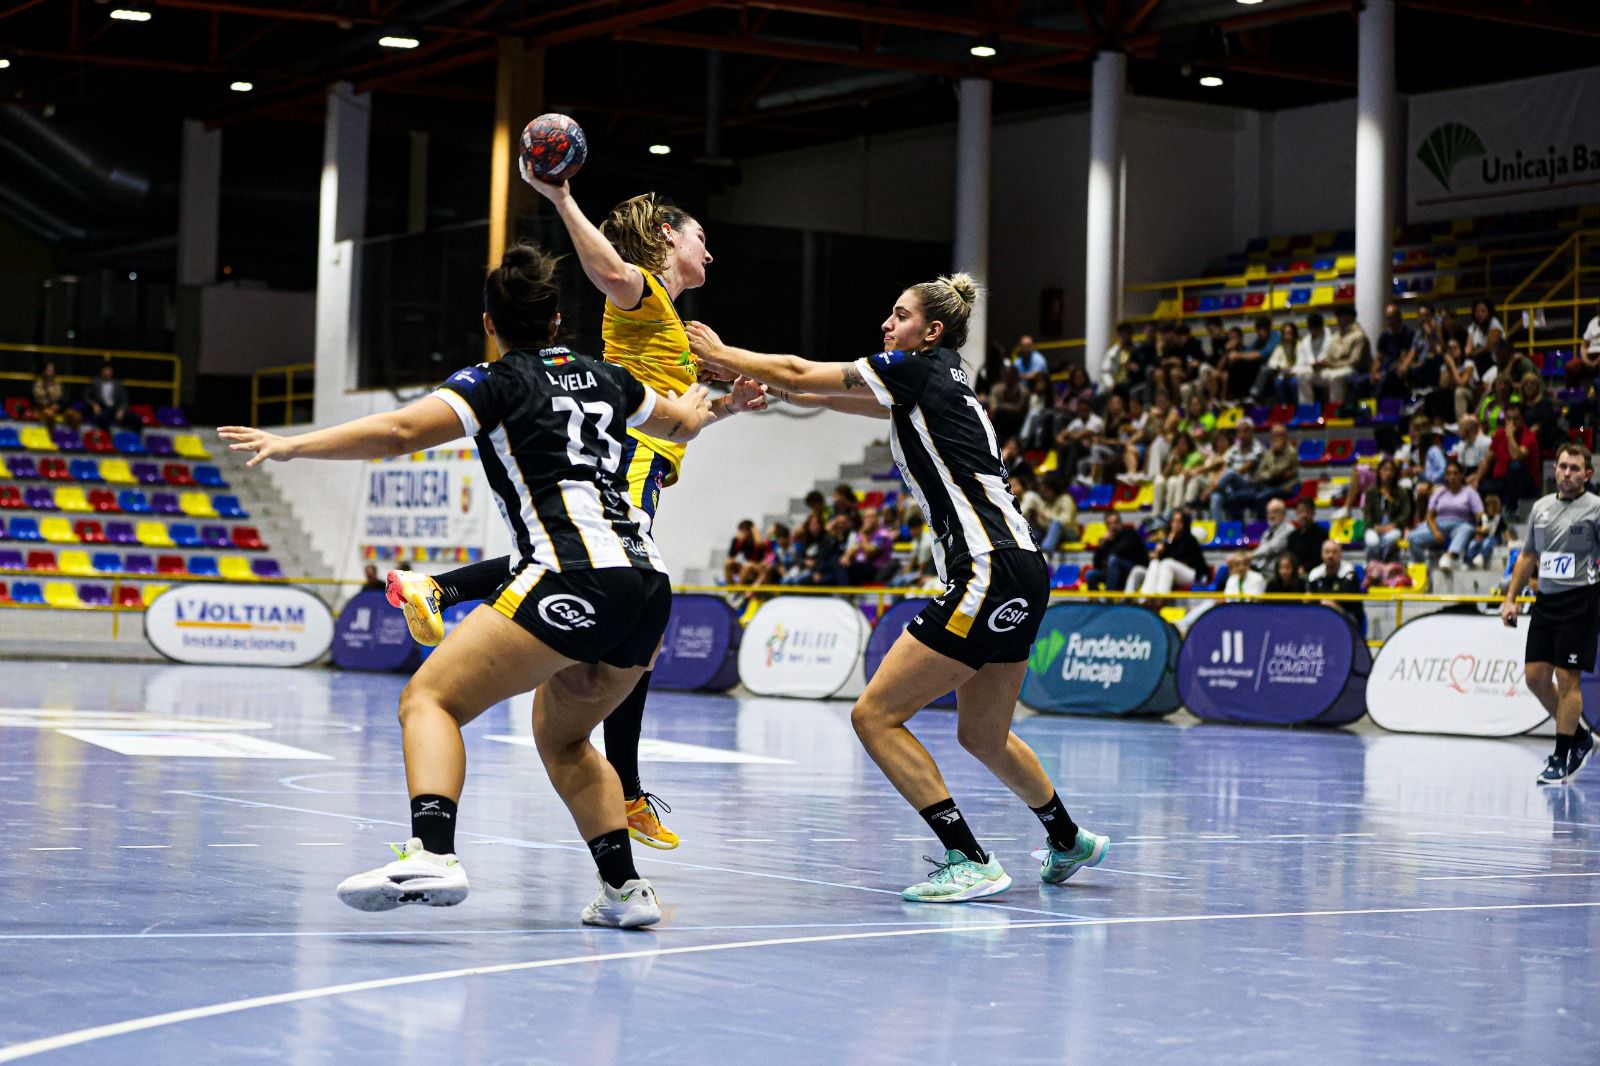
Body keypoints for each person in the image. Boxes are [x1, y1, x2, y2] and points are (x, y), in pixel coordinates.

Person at [218, 243, 719, 926]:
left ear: (491, 323)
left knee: (430, 699)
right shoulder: (607, 377)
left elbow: (396, 431)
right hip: (647, 588)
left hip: (571, 574)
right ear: (557, 320)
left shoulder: (494, 383)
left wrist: (292, 445)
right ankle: (626, 892)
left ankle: (433, 851)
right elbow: (682, 423)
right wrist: (711, 401)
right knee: (564, 738)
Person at [686, 274, 1109, 902]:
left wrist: (721, 354)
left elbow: (805, 371)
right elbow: (826, 396)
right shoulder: (936, 383)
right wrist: (759, 388)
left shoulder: (915, 370)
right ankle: (1069, 839)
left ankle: (968, 858)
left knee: (875, 715)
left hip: (986, 566)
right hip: (1023, 566)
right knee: (983, 735)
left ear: (930, 332)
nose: (887, 323)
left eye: (900, 314)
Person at [384, 179, 767, 854]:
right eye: (701, 236)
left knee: (617, 606)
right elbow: (611, 271)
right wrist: (561, 199)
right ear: (670, 238)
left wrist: (729, 403)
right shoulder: (645, 293)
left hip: (646, 456)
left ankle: (439, 589)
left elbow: (681, 420)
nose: (711, 250)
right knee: (601, 573)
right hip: (626, 460)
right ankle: (626, 789)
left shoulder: (673, 326)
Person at [1501, 442, 1600, 785]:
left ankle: (1561, 757)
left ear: (1588, 474)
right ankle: (1581, 739)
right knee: (1535, 678)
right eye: (1562, 466)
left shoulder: (1596, 509)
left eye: (1574, 468)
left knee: (1567, 678)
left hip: (1580, 602)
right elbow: (1528, 556)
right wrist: (1511, 598)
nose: (1567, 473)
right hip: (1546, 603)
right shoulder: (1541, 508)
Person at [1213, 422, 1299, 522]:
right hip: (1264, 487)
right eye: (1274, 435)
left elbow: (1275, 472)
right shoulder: (1269, 452)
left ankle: (1260, 528)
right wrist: (1269, 475)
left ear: (1286, 436)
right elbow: (1259, 473)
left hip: (1283, 489)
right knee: (1234, 498)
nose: (1277, 438)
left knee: (1260, 498)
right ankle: (1239, 529)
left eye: (1280, 435)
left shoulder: (1291, 452)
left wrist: (1269, 474)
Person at [1409, 459, 1482, 572]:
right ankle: (1423, 568)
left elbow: (1479, 515)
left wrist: (1481, 527)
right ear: (1445, 476)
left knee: (1467, 528)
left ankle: (1449, 557)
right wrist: (1435, 532)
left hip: (1461, 525)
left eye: (1455, 473)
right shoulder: (1439, 491)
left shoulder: (1470, 493)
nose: (1452, 477)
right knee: (1412, 537)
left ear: (1461, 475)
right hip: (1439, 525)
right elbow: (1429, 516)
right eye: (1449, 474)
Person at [1298, 306, 1367, 406]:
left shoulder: (1359, 336)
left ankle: (1335, 410)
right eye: (1338, 317)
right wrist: (1321, 363)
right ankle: (1307, 410)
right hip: (1331, 369)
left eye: (1342, 317)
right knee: (1303, 375)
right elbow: (1330, 357)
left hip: (1349, 370)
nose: (1339, 320)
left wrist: (1331, 364)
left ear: (1350, 318)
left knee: (1335, 377)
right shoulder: (1336, 336)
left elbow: (1355, 361)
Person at [1479, 405, 1540, 515]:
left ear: (1522, 420)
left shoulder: (1529, 436)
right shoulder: (1499, 434)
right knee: (1482, 485)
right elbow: (1487, 460)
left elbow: (1516, 455)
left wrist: (1510, 436)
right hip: (1501, 480)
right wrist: (1476, 480)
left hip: (1524, 483)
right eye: (1509, 419)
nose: (1512, 422)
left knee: (1515, 466)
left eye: (1515, 418)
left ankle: (1511, 509)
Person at [1134, 509, 1209, 594]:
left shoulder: (1189, 539)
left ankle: (1161, 598)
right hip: (1172, 572)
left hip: (1192, 574)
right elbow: (1163, 557)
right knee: (1154, 563)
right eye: (1174, 521)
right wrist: (1158, 553)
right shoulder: (1167, 539)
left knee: (1167, 563)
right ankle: (1145, 597)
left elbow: (1176, 556)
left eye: (1179, 521)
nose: (1176, 524)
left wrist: (1168, 542)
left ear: (1185, 524)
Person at [1206, 421, 1266, 523]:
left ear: (1252, 432)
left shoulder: (1258, 447)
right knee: (1216, 497)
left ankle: (1212, 489)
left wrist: (1216, 484)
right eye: (1239, 432)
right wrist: (1217, 479)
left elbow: (1243, 469)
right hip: (1232, 487)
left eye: (1245, 431)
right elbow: (1224, 466)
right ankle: (1220, 531)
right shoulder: (1234, 448)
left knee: (1231, 473)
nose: (1242, 435)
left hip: (1249, 486)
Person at [1362, 458, 1412, 563]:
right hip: (1375, 526)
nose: (1388, 473)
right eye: (1385, 469)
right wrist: (1375, 527)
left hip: (1393, 526)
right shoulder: (1371, 492)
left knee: (1390, 539)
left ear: (1395, 473)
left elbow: (1406, 513)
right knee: (1372, 542)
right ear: (1379, 471)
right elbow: (1367, 513)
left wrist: (1393, 525)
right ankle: (1372, 568)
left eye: (1391, 470)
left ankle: (1382, 565)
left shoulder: (1401, 492)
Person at [1084, 510, 1148, 591]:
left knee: (1113, 560)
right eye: (1109, 524)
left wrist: (1107, 557)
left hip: (1131, 570)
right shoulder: (1106, 540)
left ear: (1121, 522)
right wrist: (1102, 544)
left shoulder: (1130, 533)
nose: (1113, 526)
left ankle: (1109, 597)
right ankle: (1095, 602)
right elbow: (1096, 564)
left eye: (1115, 522)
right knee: (1090, 574)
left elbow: (1119, 552)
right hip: (1112, 573)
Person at [1307, 539, 1362, 623]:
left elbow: (1347, 600)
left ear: (1340, 554)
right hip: (1321, 615)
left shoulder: (1349, 573)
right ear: (1322, 555)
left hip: (1348, 616)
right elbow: (1309, 599)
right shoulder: (1315, 574)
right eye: (1327, 552)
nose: (1330, 556)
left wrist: (1330, 604)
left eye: (1334, 552)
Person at [31, 362, 79, 431]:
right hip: (44, 407)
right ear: (44, 371)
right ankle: (51, 437)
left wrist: (58, 405)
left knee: (76, 416)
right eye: (49, 370)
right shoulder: (38, 383)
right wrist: (50, 405)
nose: (51, 372)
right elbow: (37, 398)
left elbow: (64, 396)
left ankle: (73, 436)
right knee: (50, 415)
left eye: (52, 370)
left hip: (58, 407)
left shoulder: (57, 382)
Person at [1250, 497, 1294, 573]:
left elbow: (1272, 548)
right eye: (1269, 512)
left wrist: (1250, 555)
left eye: (1275, 512)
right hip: (1263, 568)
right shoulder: (1267, 532)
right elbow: (1261, 548)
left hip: (1278, 571)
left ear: (1284, 514)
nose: (1271, 516)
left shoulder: (1289, 529)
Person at [82, 363, 129, 431]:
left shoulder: (118, 384)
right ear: (101, 372)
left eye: (109, 371)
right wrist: (94, 404)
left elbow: (124, 400)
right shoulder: (95, 383)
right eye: (105, 371)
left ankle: (136, 439)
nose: (107, 373)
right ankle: (109, 438)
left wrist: (121, 410)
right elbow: (86, 396)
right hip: (102, 409)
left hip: (115, 409)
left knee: (136, 419)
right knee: (102, 418)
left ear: (112, 372)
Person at [1465, 493, 1507, 571]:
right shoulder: (1483, 517)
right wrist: (1479, 532)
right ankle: (1469, 560)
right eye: (1489, 505)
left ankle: (1482, 556)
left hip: (1494, 537)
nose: (1491, 508)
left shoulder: (1499, 518)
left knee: (1487, 542)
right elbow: (1478, 528)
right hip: (1482, 536)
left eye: (1494, 506)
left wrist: (1509, 540)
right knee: (1473, 543)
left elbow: (1505, 530)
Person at [1286, 497, 1328, 574]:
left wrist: (1304, 568)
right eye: (1301, 512)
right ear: (1296, 513)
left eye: (1308, 512)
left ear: (1313, 513)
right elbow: (1289, 557)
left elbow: (1320, 559)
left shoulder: (1321, 534)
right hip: (1294, 573)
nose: (1304, 515)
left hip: (1316, 573)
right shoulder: (1292, 536)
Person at [725, 519, 769, 585]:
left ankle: (739, 588)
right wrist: (738, 542)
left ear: (751, 531)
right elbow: (731, 557)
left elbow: (761, 545)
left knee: (748, 565)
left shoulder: (758, 540)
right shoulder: (739, 541)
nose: (741, 533)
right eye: (740, 531)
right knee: (728, 563)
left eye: (743, 531)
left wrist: (755, 531)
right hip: (747, 566)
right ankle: (731, 587)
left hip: (760, 567)